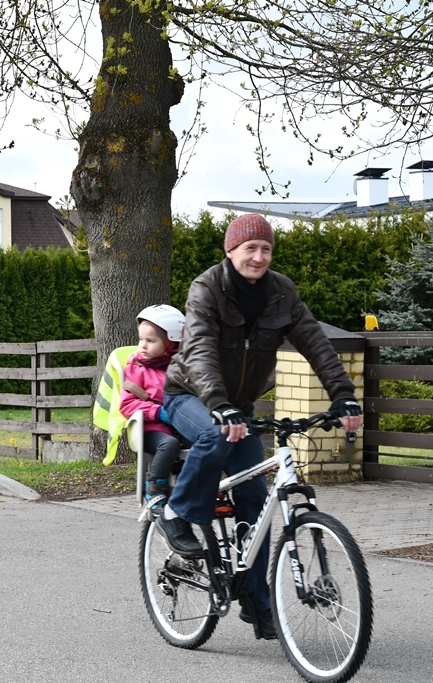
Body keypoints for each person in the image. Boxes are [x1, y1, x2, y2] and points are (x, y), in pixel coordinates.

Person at [158, 213, 363, 640]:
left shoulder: (281, 293)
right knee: (214, 435)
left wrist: (343, 395)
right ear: (230, 251)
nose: (258, 256)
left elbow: (316, 342)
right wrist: (218, 404)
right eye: (249, 248)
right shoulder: (207, 288)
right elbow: (199, 350)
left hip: (240, 406)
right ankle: (178, 512)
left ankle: (257, 601)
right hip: (190, 395)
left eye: (266, 248)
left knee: (255, 503)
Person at [118, 304, 186, 520]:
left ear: (170, 343)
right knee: (170, 444)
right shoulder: (137, 368)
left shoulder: (181, 366)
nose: (143, 346)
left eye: (151, 340)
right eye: (141, 340)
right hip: (149, 429)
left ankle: (193, 485)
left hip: (178, 426)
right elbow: (127, 405)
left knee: (205, 440)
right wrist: (158, 412)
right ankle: (155, 489)